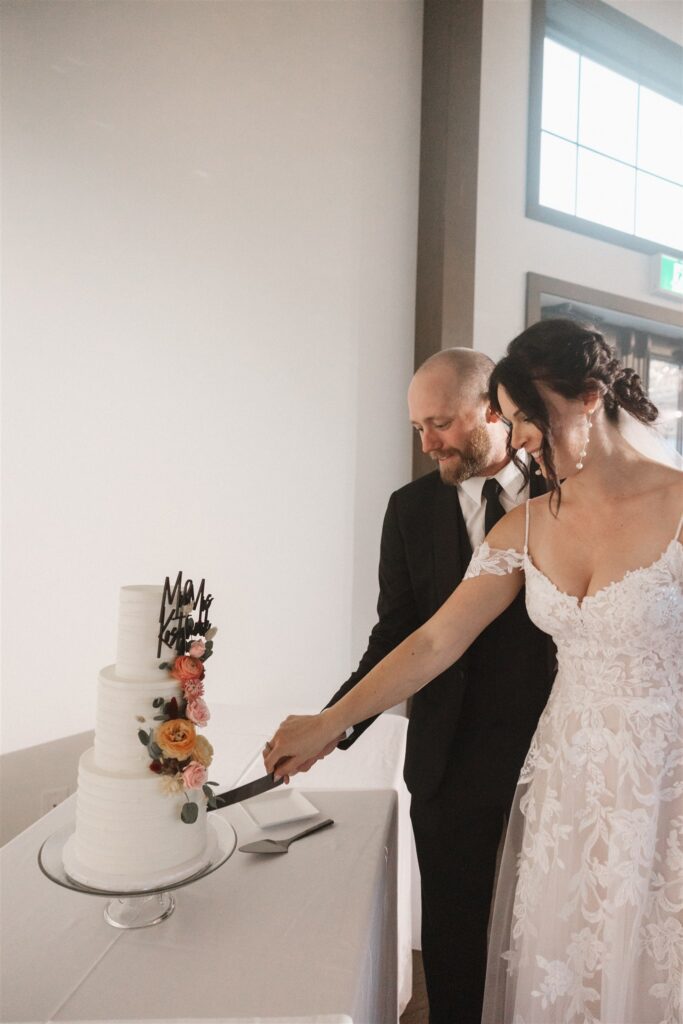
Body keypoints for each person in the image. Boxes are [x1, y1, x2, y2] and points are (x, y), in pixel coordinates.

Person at [265, 320, 683, 1024]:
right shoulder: (522, 528)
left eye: (525, 421)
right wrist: (329, 723)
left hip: (664, 777)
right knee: (566, 959)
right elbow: (432, 642)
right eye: (512, 423)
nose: (518, 440)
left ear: (587, 398)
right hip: (565, 782)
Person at [276, 346, 556, 1024]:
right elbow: (396, 634)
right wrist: (331, 724)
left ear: (492, 409)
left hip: (547, 752)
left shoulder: (563, 497)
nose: (427, 443)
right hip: (446, 758)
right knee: (454, 946)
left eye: (440, 423)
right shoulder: (407, 509)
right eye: (417, 429)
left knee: (543, 938)